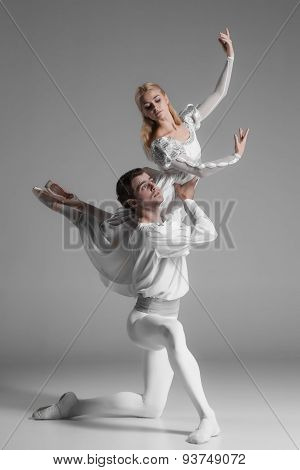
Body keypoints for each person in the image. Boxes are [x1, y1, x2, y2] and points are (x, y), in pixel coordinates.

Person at [31, 169, 221, 445]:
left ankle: (73, 406)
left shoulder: (142, 218)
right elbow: (208, 232)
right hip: (146, 319)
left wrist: (73, 202)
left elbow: (103, 217)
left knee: (151, 407)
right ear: (133, 202)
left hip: (163, 316)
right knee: (174, 332)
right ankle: (208, 417)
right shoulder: (154, 233)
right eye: (145, 186)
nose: (154, 187)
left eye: (152, 182)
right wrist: (188, 200)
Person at [135, 28, 248, 181]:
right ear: (145, 113)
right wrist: (235, 156)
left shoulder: (187, 121)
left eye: (157, 100)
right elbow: (199, 170)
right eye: (148, 106)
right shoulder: (161, 144)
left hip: (187, 196)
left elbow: (219, 94)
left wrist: (230, 57)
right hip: (174, 201)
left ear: (166, 98)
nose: (155, 107)